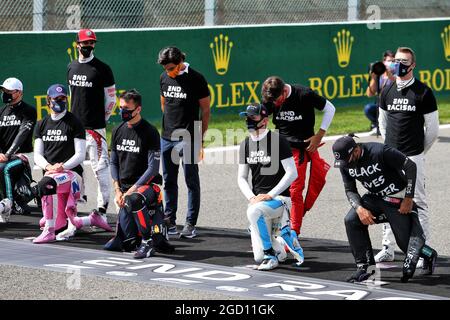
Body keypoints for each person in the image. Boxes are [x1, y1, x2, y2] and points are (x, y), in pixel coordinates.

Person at [333, 135, 438, 283]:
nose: (345, 164)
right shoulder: (344, 163)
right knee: (351, 220)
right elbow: (350, 189)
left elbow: (410, 166)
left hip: (397, 197)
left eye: (347, 159)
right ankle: (365, 267)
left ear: (356, 150)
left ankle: (429, 253)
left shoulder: (380, 151)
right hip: (374, 198)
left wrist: (408, 198)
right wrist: (359, 208)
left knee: (405, 245)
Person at [377, 47, 439, 267]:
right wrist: (390, 149)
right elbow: (382, 123)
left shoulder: (423, 92)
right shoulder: (386, 89)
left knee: (417, 203)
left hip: (414, 157)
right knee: (388, 200)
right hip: (390, 158)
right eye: (396, 60)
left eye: (404, 61)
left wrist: (418, 151)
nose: (398, 64)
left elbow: (432, 130)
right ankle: (388, 248)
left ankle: (421, 252)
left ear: (413, 65)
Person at [33, 84, 112, 243]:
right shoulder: (41, 124)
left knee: (45, 187)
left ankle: (49, 232)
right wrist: (49, 167)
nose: (61, 102)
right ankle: (91, 219)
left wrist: (61, 167)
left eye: (63, 98)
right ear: (48, 101)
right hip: (51, 174)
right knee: (61, 223)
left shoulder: (75, 122)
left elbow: (80, 155)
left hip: (71, 175)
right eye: (57, 99)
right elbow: (37, 155)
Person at [261, 76, 335, 235]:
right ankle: (269, 227)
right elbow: (261, 117)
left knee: (295, 191)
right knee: (271, 189)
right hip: (278, 147)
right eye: (271, 101)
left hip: (299, 149)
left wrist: (319, 135)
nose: (274, 103)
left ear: (284, 91)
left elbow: (330, 108)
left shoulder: (304, 94)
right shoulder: (271, 98)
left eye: (276, 100)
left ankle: (293, 232)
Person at [104, 89, 173, 259]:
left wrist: (130, 191)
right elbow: (113, 162)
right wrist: (117, 189)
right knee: (128, 242)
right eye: (120, 108)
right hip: (125, 189)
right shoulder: (117, 130)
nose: (122, 112)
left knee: (132, 199)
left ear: (138, 109)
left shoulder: (150, 132)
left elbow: (153, 169)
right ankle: (123, 236)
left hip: (147, 187)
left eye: (127, 109)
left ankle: (148, 243)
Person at [238, 103, 304, 271]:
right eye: (247, 117)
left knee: (253, 212)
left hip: (280, 199)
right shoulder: (245, 144)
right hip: (259, 202)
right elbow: (242, 178)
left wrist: (270, 194)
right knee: (257, 257)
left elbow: (292, 173)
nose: (248, 120)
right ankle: (279, 245)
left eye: (253, 117)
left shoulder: (278, 140)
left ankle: (270, 255)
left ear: (265, 120)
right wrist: (251, 197)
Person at [158, 46, 210, 238]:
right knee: (169, 180)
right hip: (167, 138)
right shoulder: (164, 78)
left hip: (189, 138)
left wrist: (200, 138)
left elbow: (205, 110)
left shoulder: (197, 79)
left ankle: (190, 224)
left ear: (180, 63)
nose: (168, 72)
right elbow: (164, 103)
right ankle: (169, 220)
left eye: (171, 68)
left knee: (191, 181)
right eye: (165, 68)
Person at [67, 28, 116, 222]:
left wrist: (98, 120)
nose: (88, 46)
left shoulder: (103, 69)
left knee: (100, 168)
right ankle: (75, 207)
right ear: (77, 44)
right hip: (74, 129)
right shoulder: (71, 66)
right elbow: (72, 96)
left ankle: (102, 210)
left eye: (92, 43)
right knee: (74, 169)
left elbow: (110, 101)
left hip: (95, 129)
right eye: (85, 43)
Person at [0, 77, 37, 220]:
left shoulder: (29, 111)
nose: (5, 93)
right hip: (4, 156)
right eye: (4, 91)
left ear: (19, 92)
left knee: (5, 168)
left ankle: (7, 206)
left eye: (9, 91)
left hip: (24, 156)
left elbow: (22, 135)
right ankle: (10, 200)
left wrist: (7, 154)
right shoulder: (1, 111)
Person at [364, 50, 396, 134]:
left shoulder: (398, 73)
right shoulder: (379, 75)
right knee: (368, 108)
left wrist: (389, 73)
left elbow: (397, 83)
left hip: (395, 105)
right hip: (382, 105)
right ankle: (377, 125)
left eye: (393, 61)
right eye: (389, 61)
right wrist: (374, 78)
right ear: (384, 62)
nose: (391, 63)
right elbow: (369, 94)